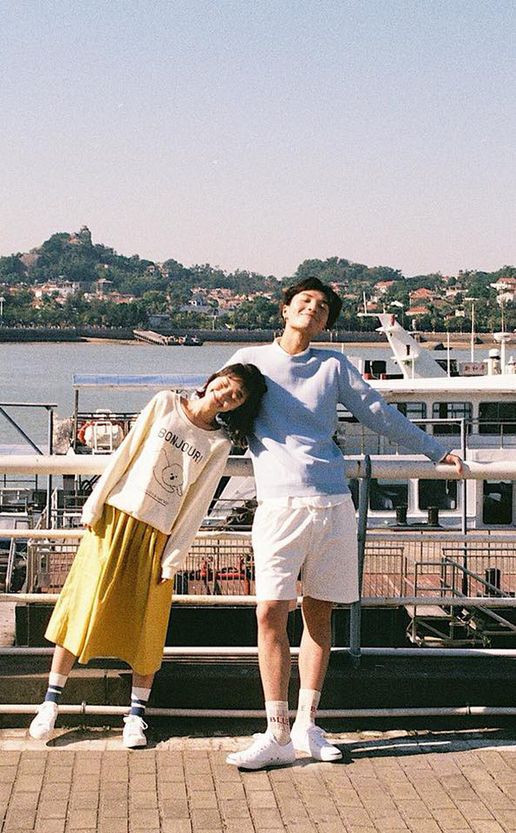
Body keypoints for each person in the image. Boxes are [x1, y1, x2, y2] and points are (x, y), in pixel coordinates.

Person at [225, 277, 463, 769]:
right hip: (278, 506)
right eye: (305, 301)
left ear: (327, 321)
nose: (313, 309)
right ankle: (275, 733)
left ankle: (306, 725)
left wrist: (436, 450)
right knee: (270, 613)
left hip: (332, 502)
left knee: (320, 614)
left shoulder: (332, 365)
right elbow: (214, 404)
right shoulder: (251, 360)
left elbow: (378, 413)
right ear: (285, 308)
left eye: (323, 307)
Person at [29, 363, 267, 747]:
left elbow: (196, 505)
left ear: (240, 406)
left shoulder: (219, 444)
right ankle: (50, 704)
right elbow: (125, 454)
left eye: (237, 395)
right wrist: (94, 503)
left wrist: (173, 556)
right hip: (116, 518)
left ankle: (136, 716)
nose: (227, 394)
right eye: (227, 384)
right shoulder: (165, 403)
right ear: (214, 378)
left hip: (158, 536)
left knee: (147, 625)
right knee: (82, 606)